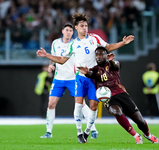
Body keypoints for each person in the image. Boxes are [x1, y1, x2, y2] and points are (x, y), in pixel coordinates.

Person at [36, 12, 134, 143]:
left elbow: (109, 47)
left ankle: (87, 131)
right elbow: (61, 60)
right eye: (81, 26)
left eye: (86, 25)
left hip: (94, 78)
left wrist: (123, 43)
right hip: (80, 77)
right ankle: (78, 132)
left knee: (93, 106)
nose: (84, 28)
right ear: (76, 27)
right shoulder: (73, 44)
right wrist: (47, 55)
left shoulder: (95, 38)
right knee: (78, 105)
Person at [77, 46, 159, 144]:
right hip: (108, 97)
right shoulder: (95, 69)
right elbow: (91, 74)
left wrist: (111, 61)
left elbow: (116, 66)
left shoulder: (114, 64)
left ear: (106, 55)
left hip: (122, 94)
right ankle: (136, 136)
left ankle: (148, 135)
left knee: (140, 120)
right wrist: (86, 73)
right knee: (116, 111)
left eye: (100, 54)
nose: (98, 57)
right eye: (96, 55)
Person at [40, 23, 98, 139]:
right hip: (59, 78)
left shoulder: (75, 43)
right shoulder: (55, 43)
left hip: (73, 78)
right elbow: (54, 55)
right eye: (66, 30)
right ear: (62, 31)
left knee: (81, 104)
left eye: (71, 31)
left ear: (73, 32)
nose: (68, 32)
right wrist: (51, 65)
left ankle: (93, 129)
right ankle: (48, 132)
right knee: (51, 104)